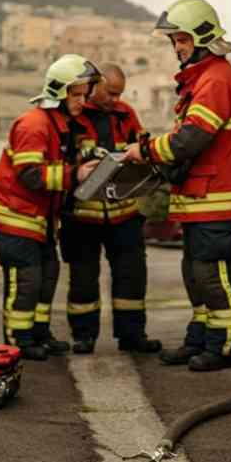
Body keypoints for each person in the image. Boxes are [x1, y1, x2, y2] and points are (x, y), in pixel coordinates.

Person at [121, 0, 231, 373]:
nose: (176, 47)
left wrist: (143, 151)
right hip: (197, 196)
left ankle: (224, 347)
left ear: (202, 38)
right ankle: (199, 341)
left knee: (212, 273)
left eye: (181, 39)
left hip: (214, 197)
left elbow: (190, 140)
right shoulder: (201, 79)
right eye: (174, 40)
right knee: (195, 274)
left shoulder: (217, 79)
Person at [0, 54, 100, 361]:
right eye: (76, 95)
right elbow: (30, 174)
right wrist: (74, 174)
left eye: (84, 94)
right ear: (59, 94)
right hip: (16, 216)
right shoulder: (33, 124)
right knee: (26, 281)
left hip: (38, 217)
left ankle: (39, 333)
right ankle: (18, 340)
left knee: (48, 275)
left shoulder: (59, 124)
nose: (82, 101)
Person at [61, 63, 162, 355]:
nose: (116, 100)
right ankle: (83, 336)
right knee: (82, 279)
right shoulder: (73, 114)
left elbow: (142, 150)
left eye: (120, 94)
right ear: (94, 87)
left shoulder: (125, 114)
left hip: (124, 214)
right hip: (82, 216)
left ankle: (132, 336)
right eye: (111, 93)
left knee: (131, 277)